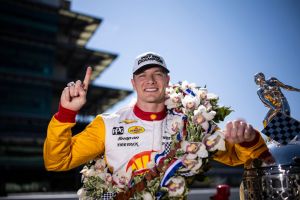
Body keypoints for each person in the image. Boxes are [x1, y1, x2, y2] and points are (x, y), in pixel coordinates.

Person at [44, 52, 268, 184]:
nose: (150, 80)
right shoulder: (107, 124)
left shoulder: (193, 124)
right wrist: (66, 113)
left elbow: (237, 156)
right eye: (142, 75)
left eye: (157, 74)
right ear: (133, 83)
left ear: (167, 80)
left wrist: (247, 139)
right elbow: (57, 161)